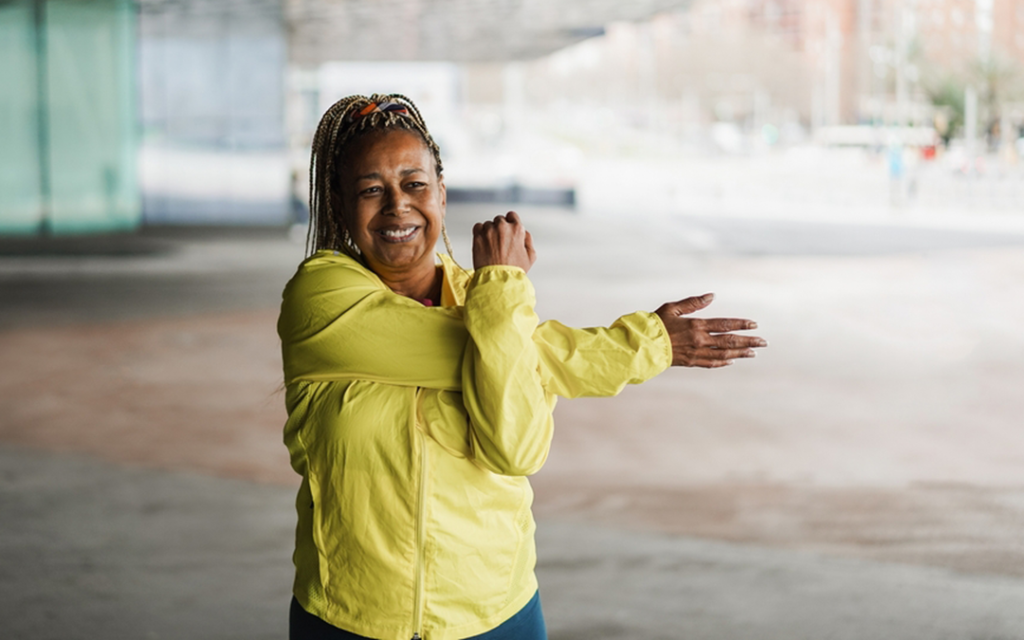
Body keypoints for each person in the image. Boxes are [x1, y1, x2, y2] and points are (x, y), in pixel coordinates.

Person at [278, 94, 767, 640]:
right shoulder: (321, 299)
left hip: (496, 613)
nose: (397, 205)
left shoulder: (494, 308)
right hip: (349, 617)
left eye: (414, 183)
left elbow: (517, 451)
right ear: (341, 205)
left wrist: (498, 301)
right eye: (371, 189)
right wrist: (645, 342)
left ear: (441, 192)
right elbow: (515, 352)